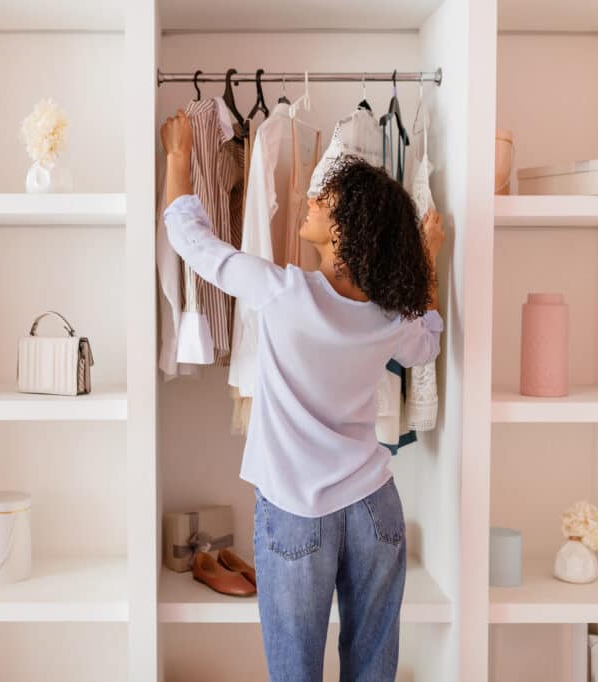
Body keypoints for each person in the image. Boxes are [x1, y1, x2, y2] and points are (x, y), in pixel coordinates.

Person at [160, 109, 445, 682]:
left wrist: (178, 158)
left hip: (296, 513)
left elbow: (192, 241)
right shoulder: (390, 315)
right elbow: (428, 343)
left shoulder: (282, 292)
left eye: (325, 198)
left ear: (344, 230)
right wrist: (429, 259)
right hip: (374, 505)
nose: (312, 199)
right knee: (373, 671)